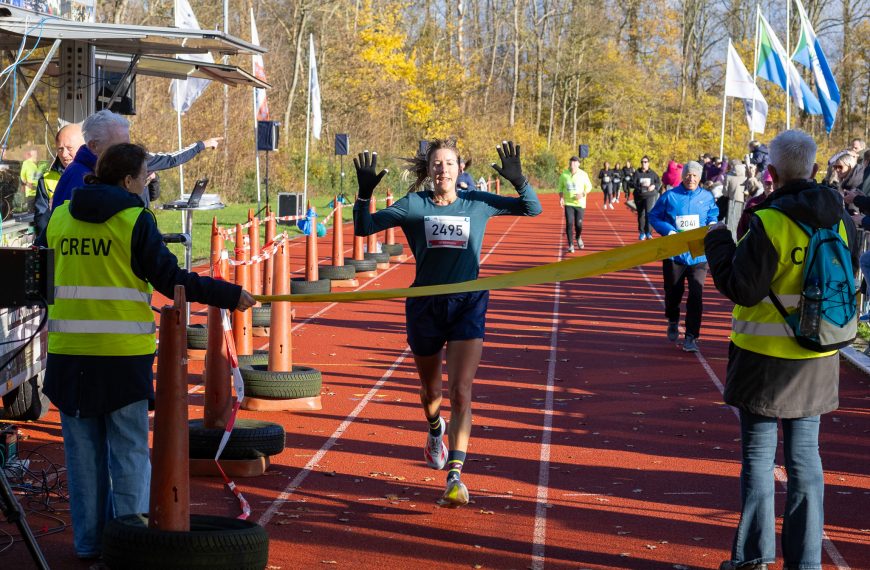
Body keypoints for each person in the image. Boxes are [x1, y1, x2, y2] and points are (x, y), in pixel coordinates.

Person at [35, 142, 255, 559]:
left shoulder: (60, 217)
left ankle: (88, 545)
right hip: (121, 357)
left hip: (68, 355)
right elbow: (171, 278)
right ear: (127, 180)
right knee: (129, 454)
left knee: (82, 459)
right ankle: (130, 545)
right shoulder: (135, 219)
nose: (149, 179)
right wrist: (230, 294)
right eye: (145, 174)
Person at [352, 139, 541, 506]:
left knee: (461, 392)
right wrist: (363, 195)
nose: (443, 169)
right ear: (429, 169)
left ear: (460, 168)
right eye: (437, 163)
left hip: (468, 303)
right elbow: (363, 229)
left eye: (450, 163)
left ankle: (455, 476)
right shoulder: (414, 205)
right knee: (431, 394)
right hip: (425, 305)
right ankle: (434, 430)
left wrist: (520, 180)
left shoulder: (477, 203)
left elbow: (531, 208)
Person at [705, 129, 858, 570]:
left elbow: (742, 289)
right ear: (814, 169)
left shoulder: (768, 221)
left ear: (769, 174)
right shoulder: (842, 219)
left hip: (762, 359)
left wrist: (718, 242)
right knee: (806, 461)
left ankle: (753, 558)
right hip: (819, 354)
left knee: (757, 460)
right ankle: (806, 561)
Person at [49, 110, 222, 213]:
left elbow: (171, 159)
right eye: (119, 146)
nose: (128, 152)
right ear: (94, 146)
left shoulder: (126, 161)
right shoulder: (78, 177)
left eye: (128, 143)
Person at [648, 161, 718, 352]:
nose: (691, 178)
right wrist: (668, 231)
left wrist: (712, 222)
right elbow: (654, 216)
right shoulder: (670, 196)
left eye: (695, 175)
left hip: (698, 255)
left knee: (696, 294)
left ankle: (691, 336)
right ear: (683, 176)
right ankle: (672, 318)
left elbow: (713, 214)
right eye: (688, 175)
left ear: (699, 177)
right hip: (674, 255)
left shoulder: (706, 196)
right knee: (673, 292)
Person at [33, 123, 85, 236]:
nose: (64, 154)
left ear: (83, 146)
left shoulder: (96, 175)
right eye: (60, 149)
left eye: (69, 148)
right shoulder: (46, 179)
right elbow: (41, 220)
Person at [558, 155, 592, 252]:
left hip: (580, 203)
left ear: (578, 164)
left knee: (578, 224)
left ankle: (578, 237)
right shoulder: (564, 174)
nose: (572, 163)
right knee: (569, 223)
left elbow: (589, 187)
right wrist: (561, 198)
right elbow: (560, 187)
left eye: (574, 162)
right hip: (568, 203)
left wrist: (582, 194)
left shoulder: (583, 174)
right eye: (571, 162)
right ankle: (571, 245)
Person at [736, 170, 773, 240]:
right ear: (762, 182)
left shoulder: (781, 202)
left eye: (773, 183)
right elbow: (742, 228)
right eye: (768, 183)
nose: (771, 187)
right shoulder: (753, 203)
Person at [630, 155, 661, 239]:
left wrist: (654, 186)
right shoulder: (637, 173)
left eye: (645, 162)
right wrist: (639, 186)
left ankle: (648, 232)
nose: (643, 163)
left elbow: (658, 182)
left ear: (648, 163)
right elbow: (631, 183)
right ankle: (642, 232)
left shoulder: (652, 173)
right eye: (642, 162)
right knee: (641, 214)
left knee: (648, 213)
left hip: (649, 196)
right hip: (639, 196)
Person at [723, 162, 748, 238]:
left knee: (730, 224)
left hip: (731, 201)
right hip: (743, 202)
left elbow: (725, 193)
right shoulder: (746, 178)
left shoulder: (728, 177)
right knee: (739, 223)